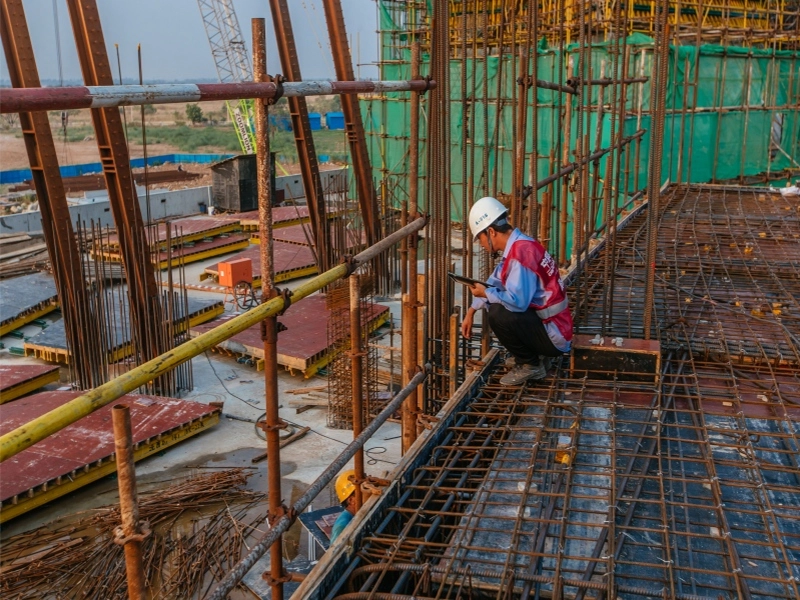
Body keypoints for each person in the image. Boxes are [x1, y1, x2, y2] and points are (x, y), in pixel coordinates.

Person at [461, 196, 573, 385]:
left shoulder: (520, 254)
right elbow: (493, 282)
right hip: (554, 326)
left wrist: (486, 295)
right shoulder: (520, 245)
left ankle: (530, 364)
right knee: (496, 301)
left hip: (556, 334)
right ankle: (535, 356)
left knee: (498, 313)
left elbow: (517, 302)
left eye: (480, 238)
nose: (480, 244)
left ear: (491, 232)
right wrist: (472, 310)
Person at [329, 470, 358, 543]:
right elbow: (333, 553)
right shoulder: (342, 527)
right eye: (363, 493)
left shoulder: (355, 514)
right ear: (351, 500)